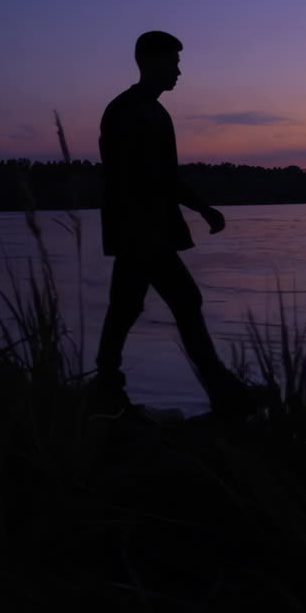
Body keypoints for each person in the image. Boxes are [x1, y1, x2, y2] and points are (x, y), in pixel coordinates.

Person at [94, 30, 253, 420]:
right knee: (175, 301)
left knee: (128, 306)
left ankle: (107, 387)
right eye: (173, 62)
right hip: (141, 228)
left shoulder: (150, 110)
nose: (179, 71)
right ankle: (220, 389)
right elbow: (149, 176)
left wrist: (200, 208)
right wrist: (202, 208)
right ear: (149, 62)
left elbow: (163, 174)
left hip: (147, 226)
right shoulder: (130, 111)